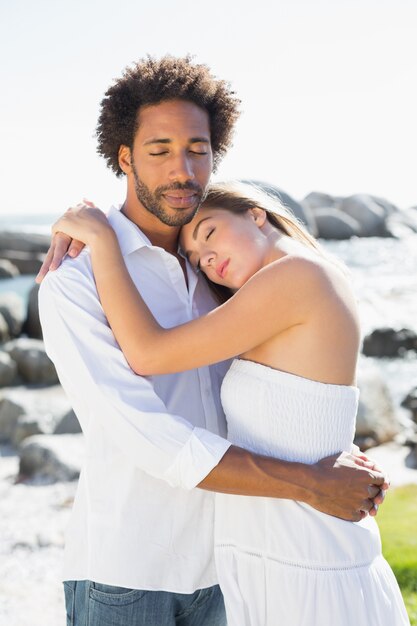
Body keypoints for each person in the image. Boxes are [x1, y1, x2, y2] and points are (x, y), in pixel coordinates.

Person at [37, 56, 389, 626]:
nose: (183, 170)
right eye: (159, 151)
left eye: (197, 149)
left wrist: (327, 447)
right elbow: (151, 438)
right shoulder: (75, 281)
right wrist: (312, 483)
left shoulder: (222, 271)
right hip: (132, 573)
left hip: (237, 565)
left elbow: (283, 381)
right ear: (124, 157)